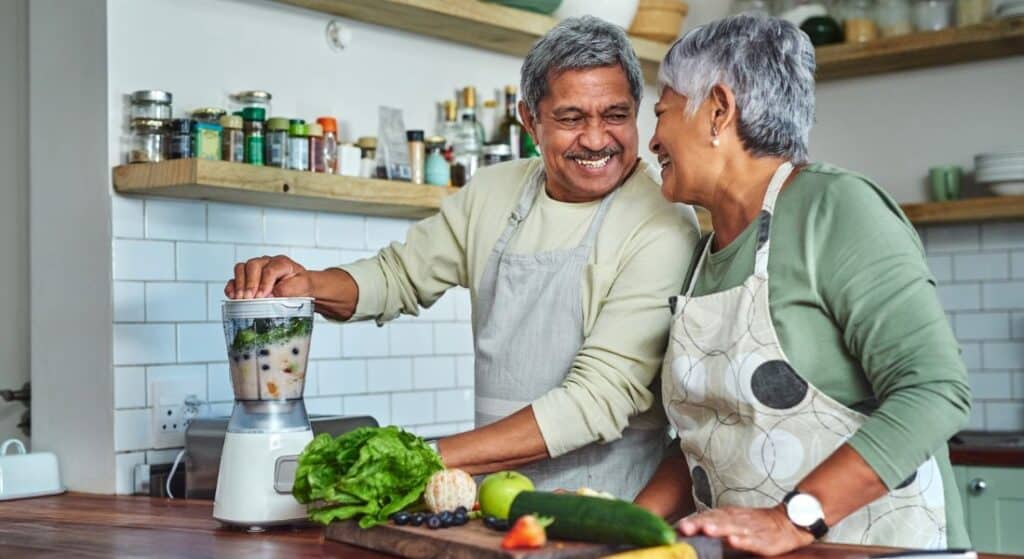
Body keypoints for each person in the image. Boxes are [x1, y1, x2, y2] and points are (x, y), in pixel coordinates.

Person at [225, 16, 700, 500]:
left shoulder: (662, 223)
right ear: (530, 120)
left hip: (608, 513)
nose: (597, 139)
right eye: (571, 119)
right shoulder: (495, 192)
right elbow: (399, 276)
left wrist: (420, 458)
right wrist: (308, 284)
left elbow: (596, 398)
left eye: (616, 115)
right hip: (490, 506)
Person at [634, 14, 971, 554]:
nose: (652, 140)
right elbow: (712, 444)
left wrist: (792, 520)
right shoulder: (702, 256)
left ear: (718, 109)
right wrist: (615, 529)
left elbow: (935, 390)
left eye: (662, 113)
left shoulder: (836, 208)